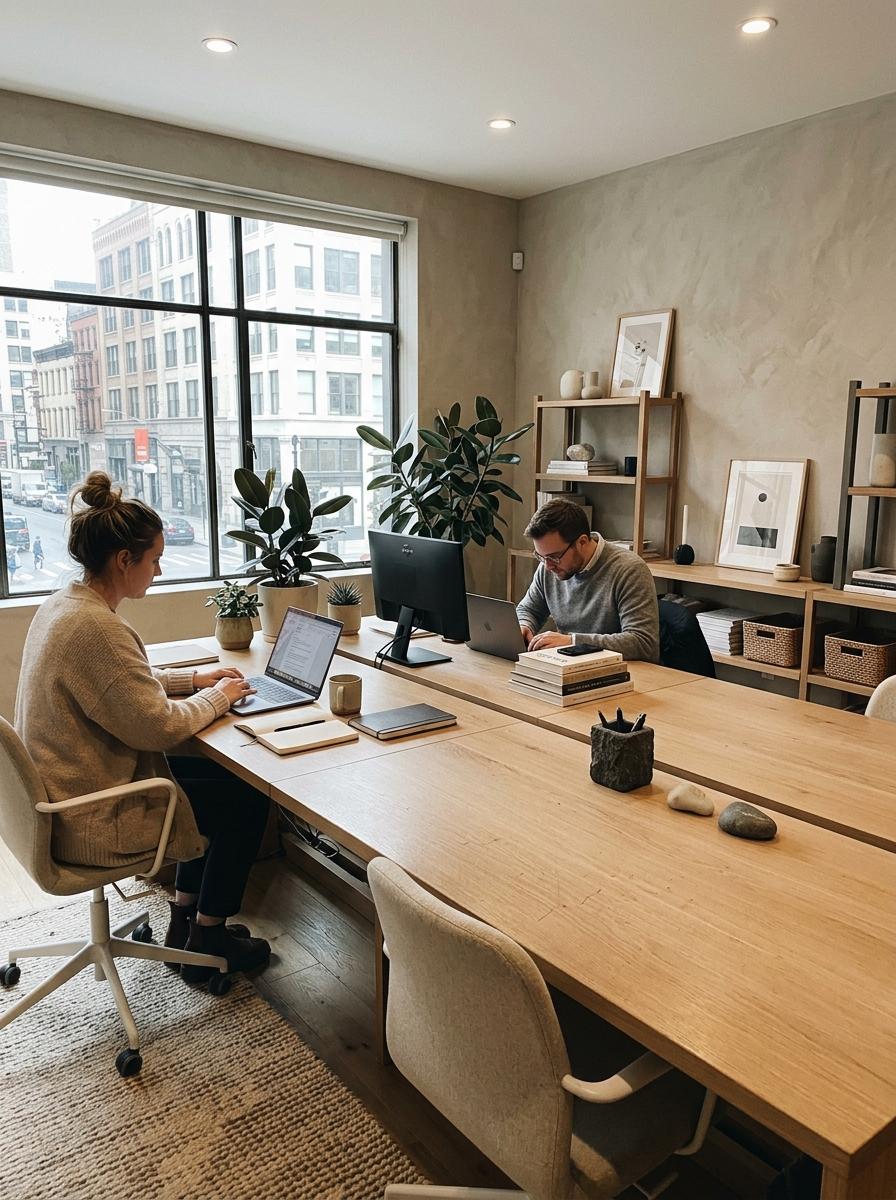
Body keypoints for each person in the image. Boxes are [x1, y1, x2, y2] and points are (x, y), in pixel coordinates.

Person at [14, 471, 271, 984]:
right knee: (246, 800)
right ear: (123, 560)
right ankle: (209, 936)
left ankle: (184, 922)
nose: (159, 568)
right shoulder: (96, 630)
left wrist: (192, 678)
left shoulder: (67, 603)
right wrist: (218, 696)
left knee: (216, 788)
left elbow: (119, 686)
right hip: (88, 817)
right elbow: (157, 728)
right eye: (153, 559)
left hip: (60, 797)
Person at [516, 498, 660, 662]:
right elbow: (529, 610)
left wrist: (573, 642)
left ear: (582, 542)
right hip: (568, 665)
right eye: (540, 556)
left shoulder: (629, 570)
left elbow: (643, 643)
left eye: (554, 557)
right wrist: (524, 625)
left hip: (620, 674)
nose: (548, 566)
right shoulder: (549, 567)